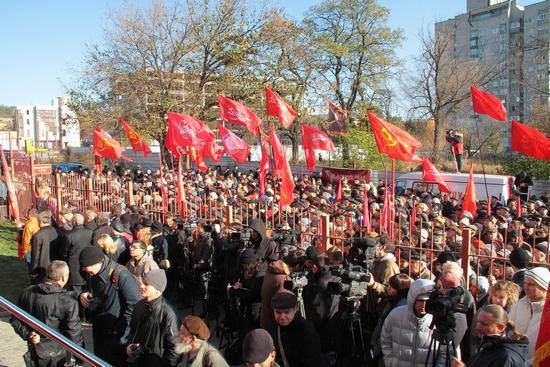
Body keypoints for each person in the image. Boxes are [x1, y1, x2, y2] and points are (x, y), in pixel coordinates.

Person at [10, 261, 83, 367]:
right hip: (59, 356)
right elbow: (74, 333)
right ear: (63, 278)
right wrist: (81, 359)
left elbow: (15, 319)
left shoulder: (27, 292)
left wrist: (28, 334)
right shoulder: (67, 301)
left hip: (36, 352)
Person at [79, 246, 140, 365]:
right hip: (100, 330)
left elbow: (134, 304)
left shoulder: (121, 275)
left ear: (99, 262)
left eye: (88, 269)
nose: (86, 272)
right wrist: (82, 294)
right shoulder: (92, 274)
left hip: (116, 335)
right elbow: (90, 290)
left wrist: (121, 331)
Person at [126, 269, 179, 367]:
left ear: (158, 289)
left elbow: (175, 349)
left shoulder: (168, 313)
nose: (141, 286)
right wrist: (129, 345)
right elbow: (132, 330)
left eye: (146, 284)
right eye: (142, 283)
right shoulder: (139, 305)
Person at [381, 278, 436, 367]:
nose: (424, 305)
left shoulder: (437, 320)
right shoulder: (395, 315)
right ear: (413, 298)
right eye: (420, 300)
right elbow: (385, 340)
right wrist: (390, 362)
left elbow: (444, 351)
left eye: (427, 301)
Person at [452, 304, 528, 367]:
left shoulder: (504, 356)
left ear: (500, 328)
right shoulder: (489, 343)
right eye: (478, 322)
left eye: (484, 324)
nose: (478, 327)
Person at [267, 290, 328, 367]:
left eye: (286, 312)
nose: (282, 317)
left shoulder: (306, 331)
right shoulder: (272, 326)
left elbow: (312, 362)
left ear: (295, 309)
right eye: (278, 312)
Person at [508, 266, 549, 358]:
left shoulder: (548, 313)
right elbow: (508, 331)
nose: (525, 287)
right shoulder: (519, 305)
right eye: (525, 283)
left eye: (531, 284)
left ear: (544, 288)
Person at [62, 212, 93, 295]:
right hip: (88, 266)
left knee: (75, 294)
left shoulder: (69, 235)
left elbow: (64, 253)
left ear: (74, 222)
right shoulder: (90, 232)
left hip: (74, 268)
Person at [30, 210, 60, 283]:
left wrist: (34, 271)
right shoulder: (58, 232)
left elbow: (35, 254)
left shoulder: (37, 235)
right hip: (56, 265)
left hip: (42, 268)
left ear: (40, 221)